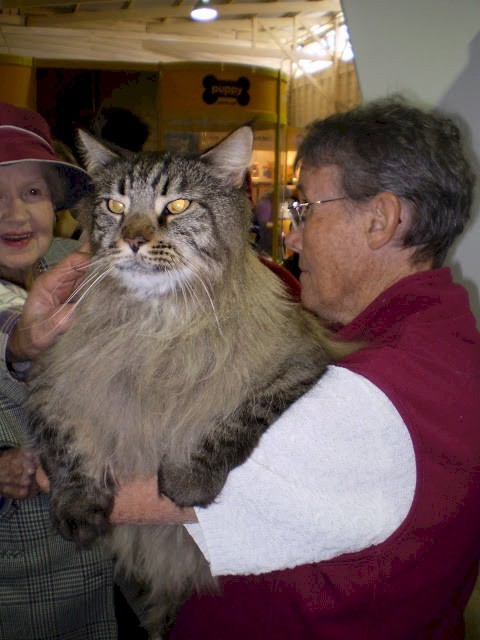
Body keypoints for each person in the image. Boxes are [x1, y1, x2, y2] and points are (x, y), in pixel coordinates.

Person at [33, 96, 480, 639]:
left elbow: (114, 500)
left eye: (305, 209)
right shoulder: (432, 335)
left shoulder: (378, 399)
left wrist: (38, 451)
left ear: (380, 220)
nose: (288, 235)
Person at [0, 102, 119, 639]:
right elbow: (14, 334)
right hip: (26, 582)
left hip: (104, 563)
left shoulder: (67, 261)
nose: (15, 215)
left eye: (32, 192)